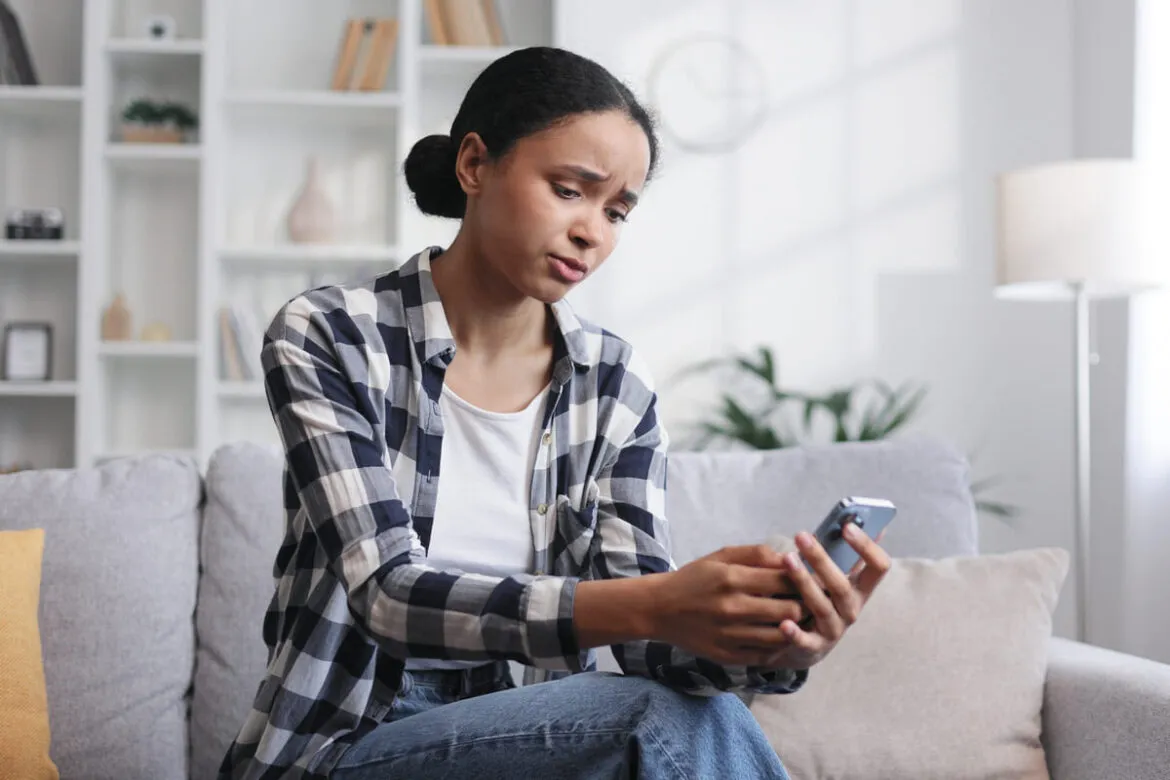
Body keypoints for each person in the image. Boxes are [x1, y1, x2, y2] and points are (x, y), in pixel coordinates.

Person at [218, 46, 891, 780]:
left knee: (691, 713)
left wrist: (768, 648)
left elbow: (648, 650)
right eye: (570, 189)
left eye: (616, 211)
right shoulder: (331, 332)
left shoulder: (613, 382)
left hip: (532, 740)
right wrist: (659, 599)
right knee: (647, 719)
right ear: (475, 165)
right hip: (346, 744)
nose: (592, 232)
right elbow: (387, 596)